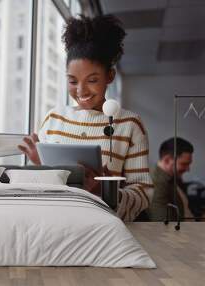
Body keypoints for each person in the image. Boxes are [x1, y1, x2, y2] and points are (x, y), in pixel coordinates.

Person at [18, 15, 153, 221]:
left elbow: (143, 193)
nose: (81, 90)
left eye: (92, 80)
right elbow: (39, 191)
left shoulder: (129, 125)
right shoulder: (54, 119)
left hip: (103, 229)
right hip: (53, 224)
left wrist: (104, 191)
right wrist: (40, 165)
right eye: (72, 81)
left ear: (110, 76)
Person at [147, 137, 194, 221]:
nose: (188, 169)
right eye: (184, 164)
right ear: (167, 160)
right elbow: (164, 227)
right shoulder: (157, 185)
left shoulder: (173, 177)